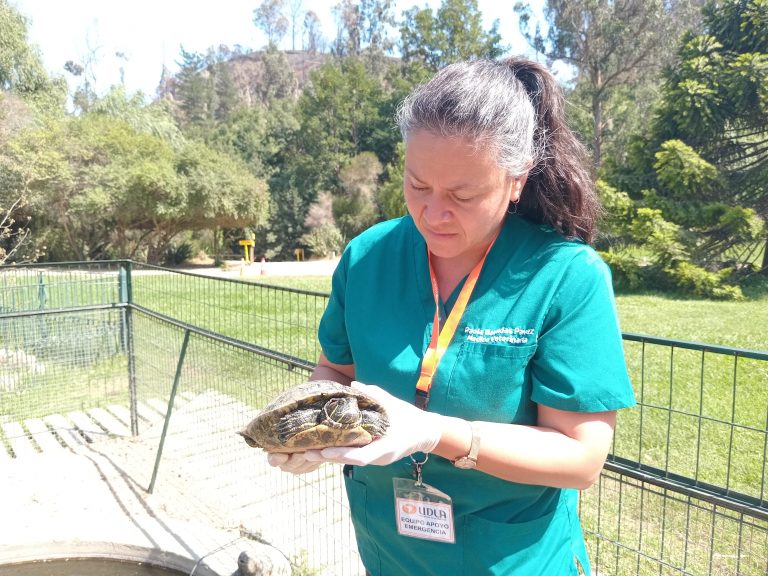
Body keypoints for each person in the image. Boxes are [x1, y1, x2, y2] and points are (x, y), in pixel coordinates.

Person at [267, 56, 636, 575]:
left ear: (516, 181)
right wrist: (312, 429)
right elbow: (336, 372)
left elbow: (580, 457)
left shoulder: (564, 275)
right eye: (418, 185)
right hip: (388, 548)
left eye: (463, 195)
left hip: (510, 558)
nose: (433, 213)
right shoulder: (367, 256)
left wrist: (435, 433)